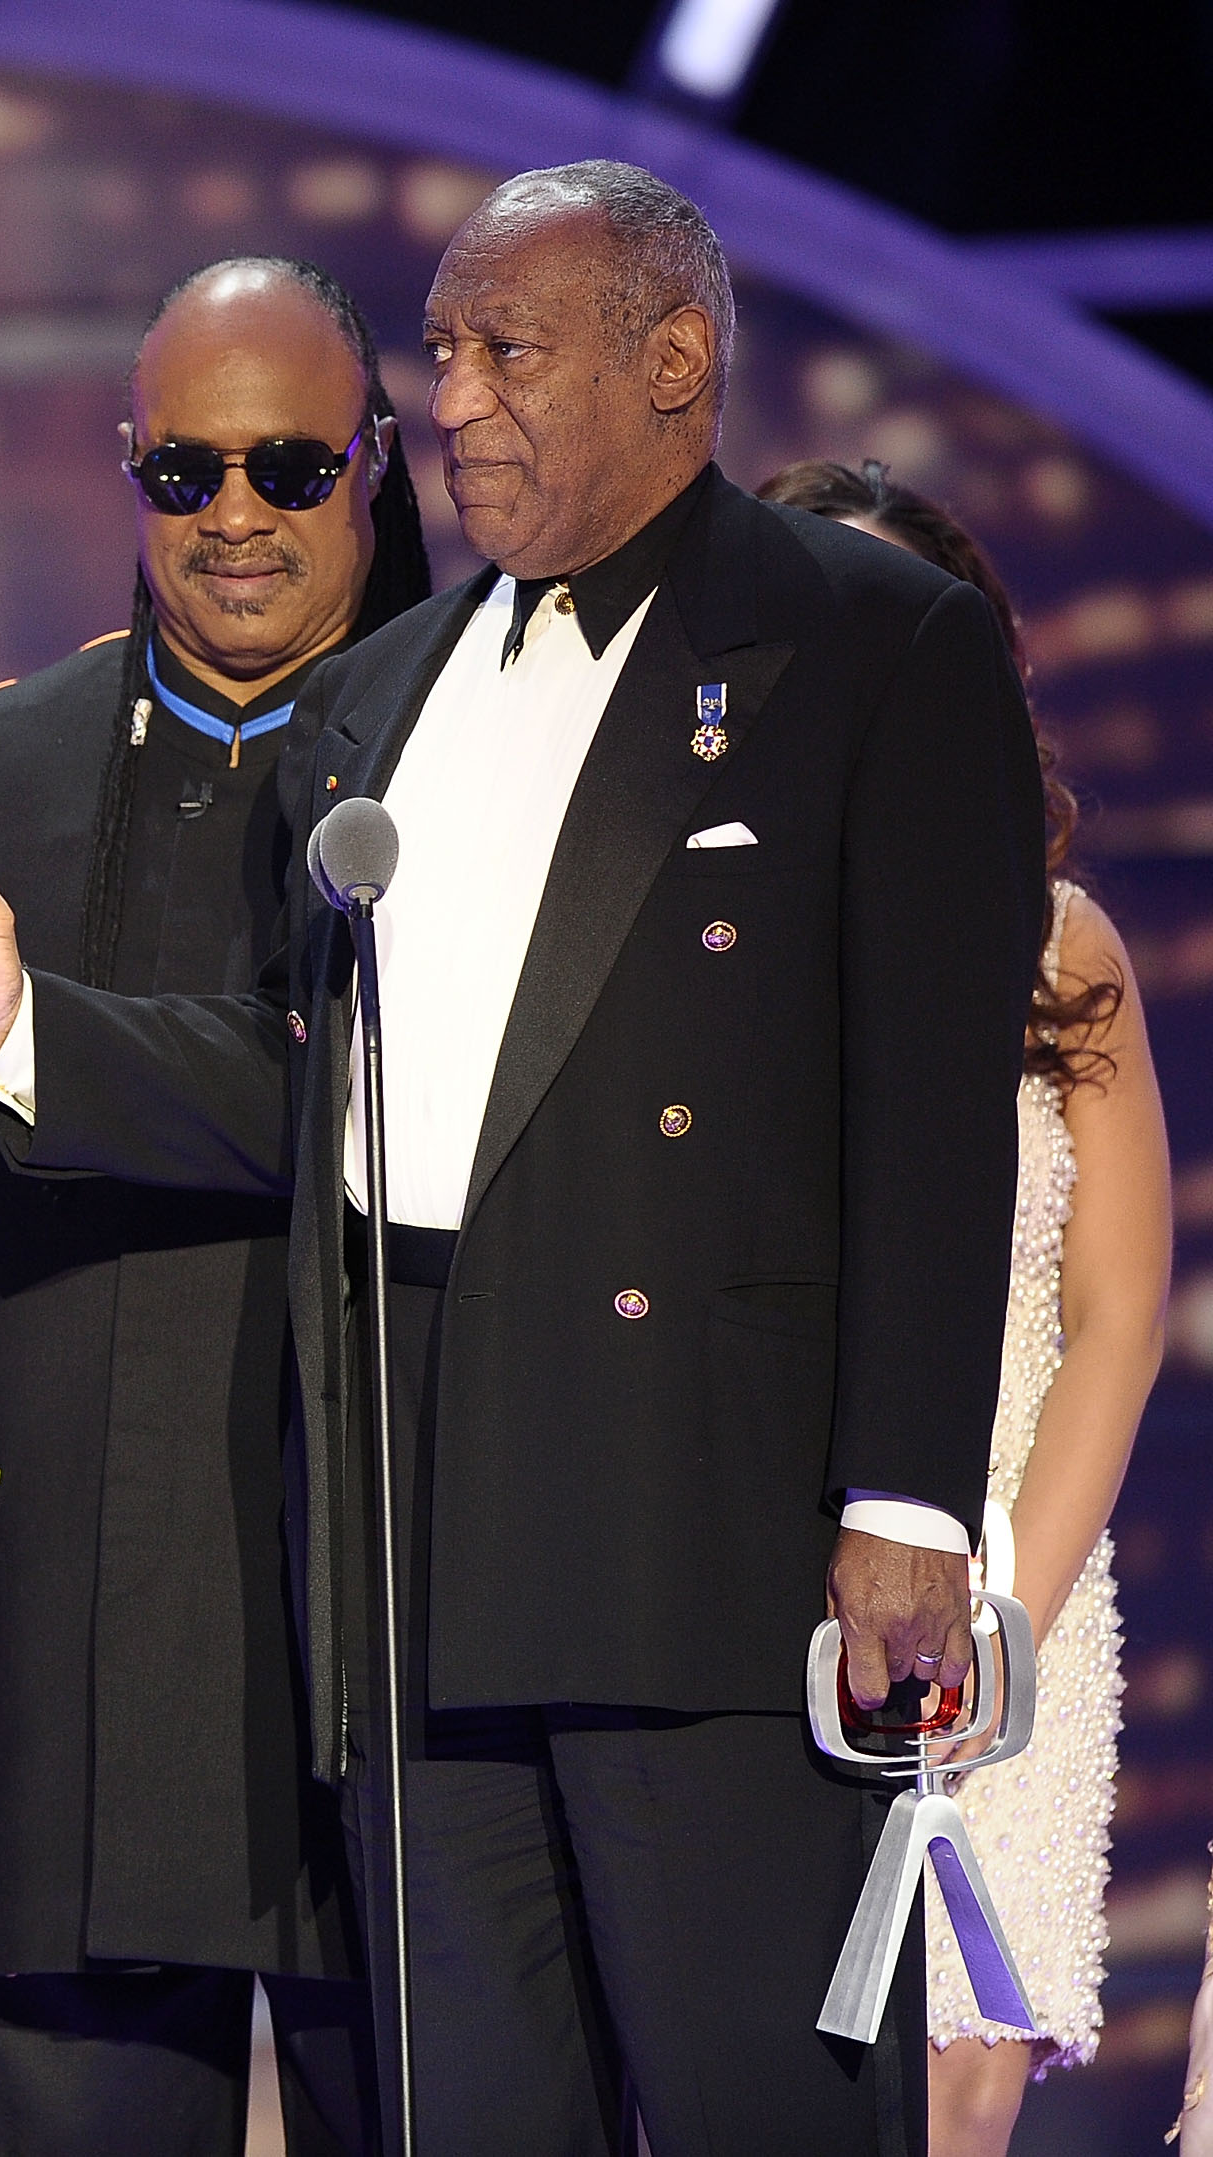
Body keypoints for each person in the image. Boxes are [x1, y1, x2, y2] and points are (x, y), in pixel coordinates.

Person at [0, 161, 1045, 2156]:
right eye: (447, 353)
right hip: (390, 1577)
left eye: (509, 352)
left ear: (676, 359)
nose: (461, 401)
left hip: (693, 1540)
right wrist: (12, 1030)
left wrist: (907, 1503)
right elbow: (307, 1084)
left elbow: (931, 1113)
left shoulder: (863, 640)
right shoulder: (377, 700)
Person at [0, 256, 428, 2157]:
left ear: (376, 467)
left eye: (291, 470)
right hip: (46, 1635)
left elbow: (391, 1115)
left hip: (405, 1640)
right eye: (185, 473)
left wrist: (30, 1040)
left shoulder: (475, 763)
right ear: (129, 467)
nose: (236, 516)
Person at [757, 462, 1168, 2151]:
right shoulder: (702, 948)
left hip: (1003, 1601)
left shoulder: (1057, 946)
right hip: (756, 1619)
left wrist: (1002, 1620)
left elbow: (1117, 1318)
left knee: (951, 2080)